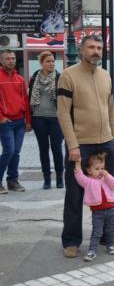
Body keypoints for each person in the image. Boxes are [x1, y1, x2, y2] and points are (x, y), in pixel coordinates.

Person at [57, 35, 114, 258]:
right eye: (91, 47)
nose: (96, 51)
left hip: (106, 142)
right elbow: (63, 113)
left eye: (99, 47)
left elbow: (110, 110)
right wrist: (72, 145)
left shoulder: (105, 76)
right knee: (75, 195)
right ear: (82, 50)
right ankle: (72, 241)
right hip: (81, 145)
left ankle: (107, 236)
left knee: (106, 191)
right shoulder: (68, 76)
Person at [28, 51, 64, 189]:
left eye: (53, 61)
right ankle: (47, 179)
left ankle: (60, 177)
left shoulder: (59, 77)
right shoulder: (35, 77)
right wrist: (29, 119)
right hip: (38, 118)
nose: (51, 63)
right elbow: (30, 96)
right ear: (41, 63)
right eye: (48, 61)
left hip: (55, 118)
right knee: (43, 149)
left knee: (56, 148)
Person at [74, 153, 114, 262]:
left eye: (102, 168)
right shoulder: (88, 181)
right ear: (89, 170)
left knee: (111, 229)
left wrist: (107, 175)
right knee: (97, 232)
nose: (100, 171)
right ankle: (92, 250)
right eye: (97, 169)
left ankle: (111, 245)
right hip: (98, 211)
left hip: (112, 209)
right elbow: (79, 177)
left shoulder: (106, 179)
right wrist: (78, 164)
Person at [0, 50, 31, 194]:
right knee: (9, 151)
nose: (11, 61)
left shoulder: (20, 79)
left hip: (20, 121)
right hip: (5, 121)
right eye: (7, 59)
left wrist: (28, 120)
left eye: (13, 58)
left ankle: (12, 181)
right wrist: (1, 118)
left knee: (16, 152)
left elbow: (25, 101)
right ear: (1, 61)